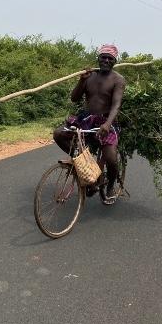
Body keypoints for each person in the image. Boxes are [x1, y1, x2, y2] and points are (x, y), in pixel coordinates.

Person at [53, 44, 126, 205]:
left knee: (111, 159)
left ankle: (110, 186)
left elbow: (116, 105)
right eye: (103, 57)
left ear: (115, 61)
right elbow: (74, 98)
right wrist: (81, 80)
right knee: (59, 134)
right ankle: (84, 164)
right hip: (86, 120)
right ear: (98, 58)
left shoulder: (118, 79)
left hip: (107, 121)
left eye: (110, 58)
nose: (106, 60)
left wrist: (107, 124)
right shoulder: (89, 76)